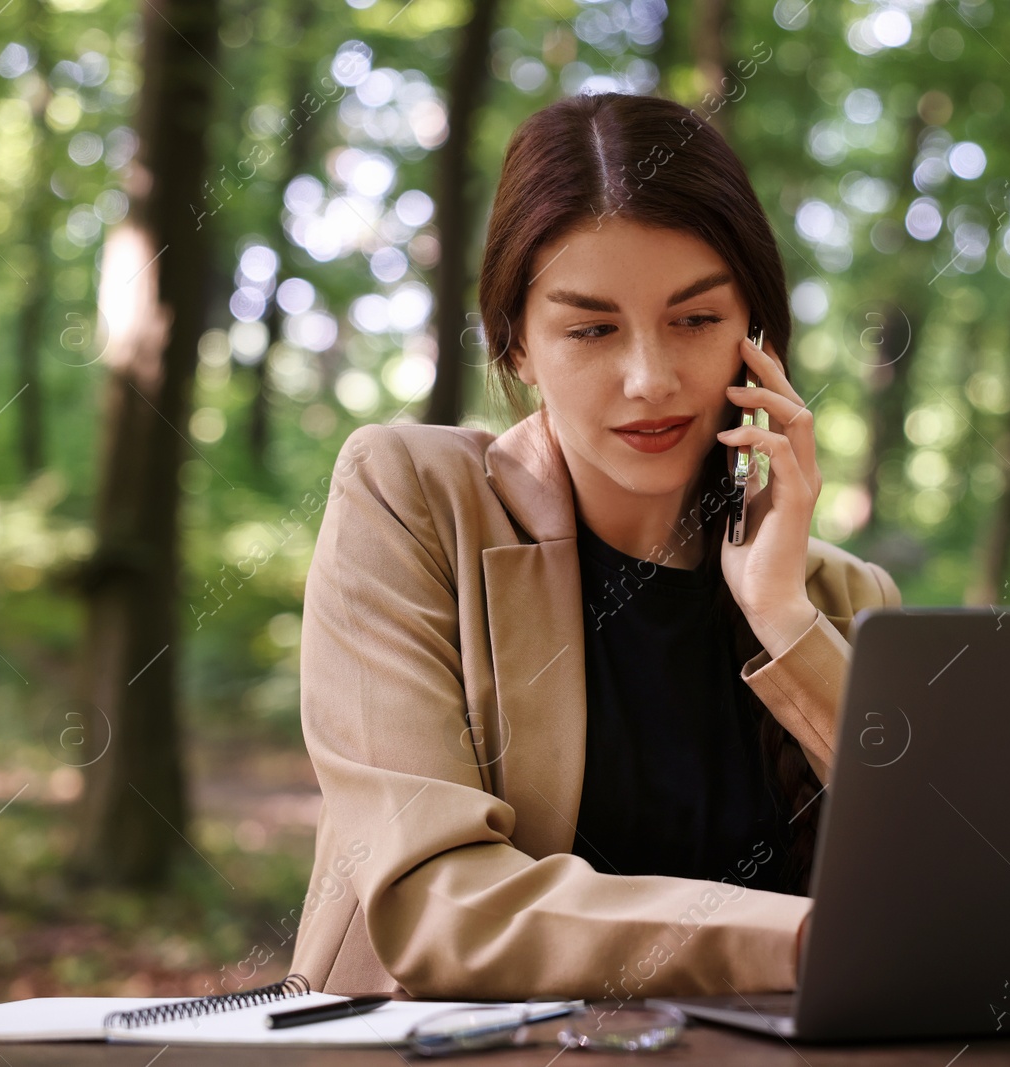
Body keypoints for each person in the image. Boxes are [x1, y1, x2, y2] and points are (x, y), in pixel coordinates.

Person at [288, 92, 902, 1001]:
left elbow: (959, 889)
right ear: (518, 345)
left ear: (756, 338)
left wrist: (784, 618)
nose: (651, 378)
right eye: (590, 329)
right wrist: (809, 938)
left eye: (695, 320)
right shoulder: (412, 498)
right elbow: (431, 898)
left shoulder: (847, 602)